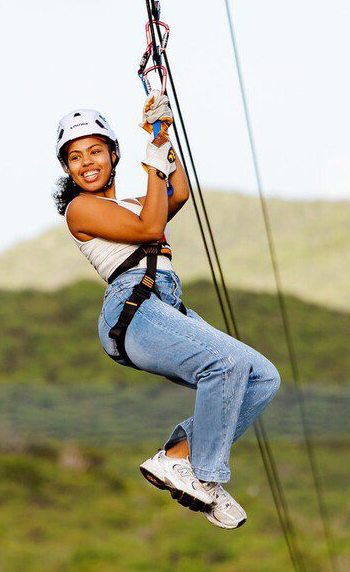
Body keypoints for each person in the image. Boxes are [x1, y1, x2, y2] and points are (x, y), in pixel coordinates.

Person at [53, 97, 280, 529]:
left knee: (263, 375)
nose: (86, 163)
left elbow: (177, 191)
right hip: (133, 308)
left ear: (113, 155)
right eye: (76, 157)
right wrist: (154, 156)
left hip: (164, 304)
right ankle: (206, 476)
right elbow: (150, 229)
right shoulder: (80, 210)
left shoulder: (139, 200)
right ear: (67, 169)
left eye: (95, 151)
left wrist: (161, 135)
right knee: (226, 363)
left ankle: (179, 457)